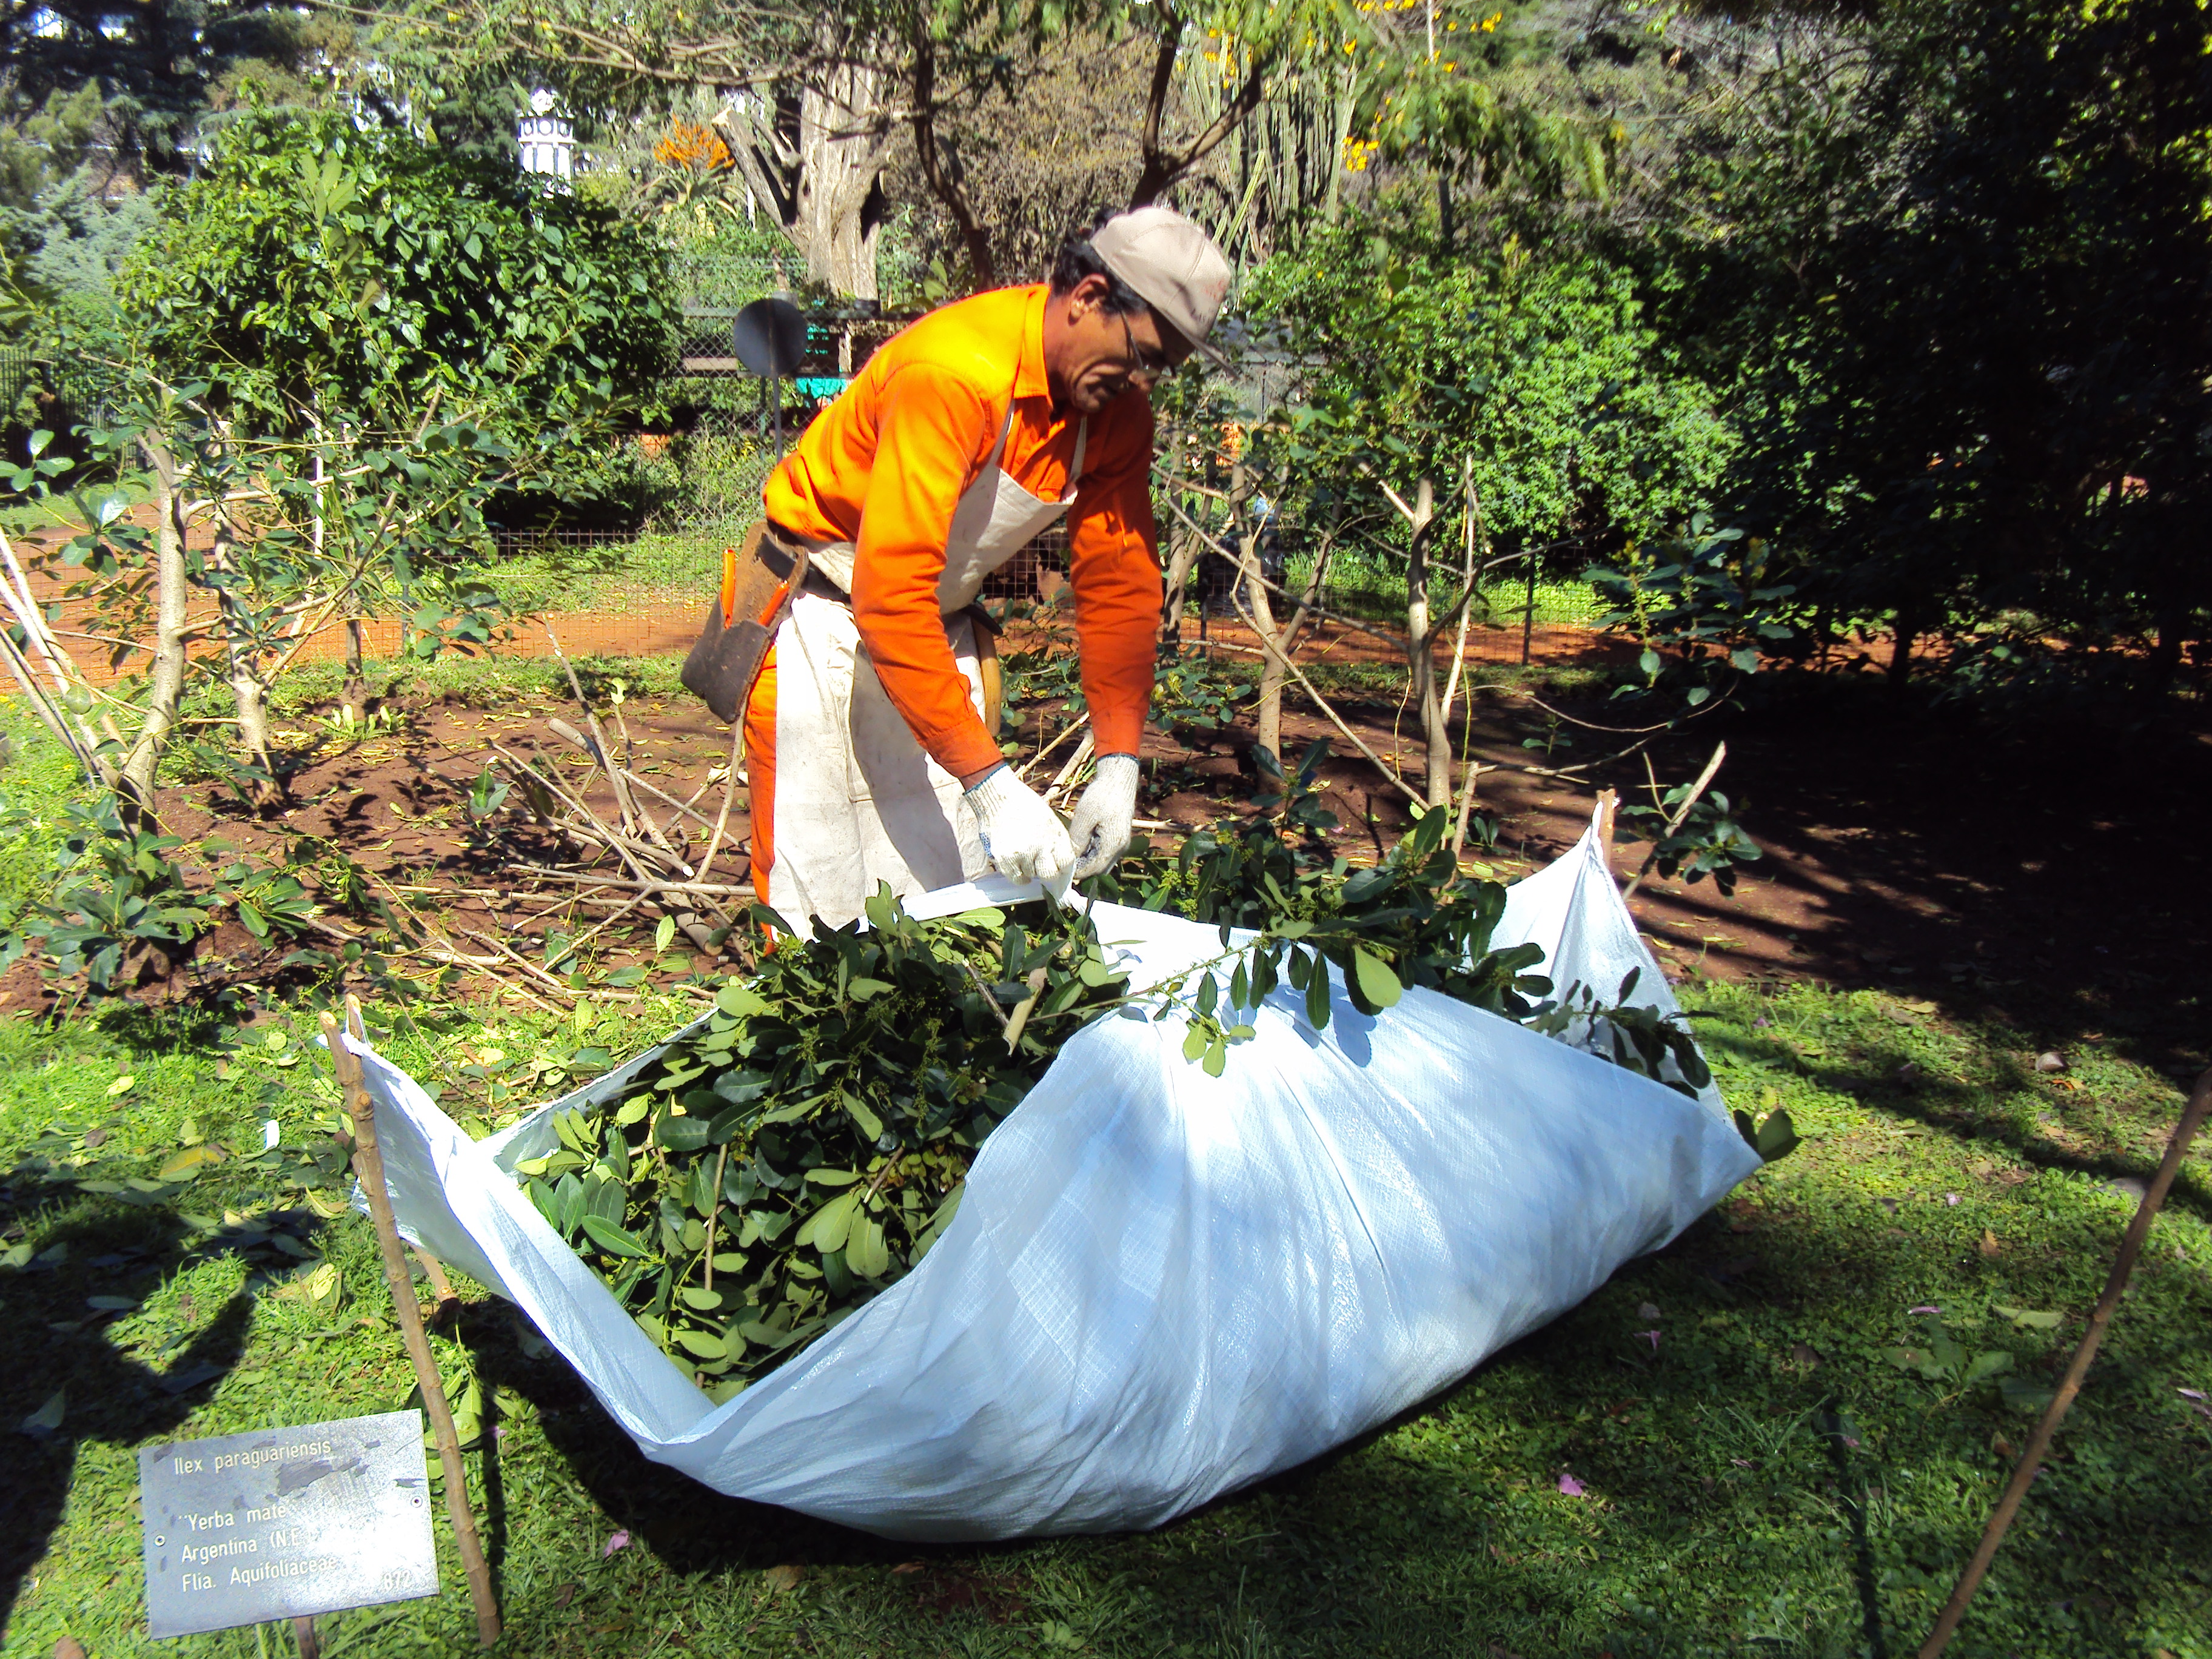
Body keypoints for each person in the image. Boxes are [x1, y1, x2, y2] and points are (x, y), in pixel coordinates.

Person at [742, 207, 1232, 928]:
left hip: (931, 627)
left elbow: (1120, 586)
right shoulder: (955, 374)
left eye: (1159, 369)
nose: (1141, 381)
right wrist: (991, 782)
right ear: (1090, 298)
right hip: (819, 615)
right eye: (1140, 355)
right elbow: (889, 593)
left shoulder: (1116, 413)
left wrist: (1120, 761)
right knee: (812, 894)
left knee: (945, 898)